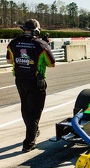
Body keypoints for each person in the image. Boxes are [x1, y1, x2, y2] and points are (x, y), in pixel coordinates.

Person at [6, 19, 55, 152]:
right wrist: (46, 44)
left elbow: (9, 60)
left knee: (25, 108)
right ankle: (29, 143)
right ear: (37, 30)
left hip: (20, 80)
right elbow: (52, 64)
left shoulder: (14, 43)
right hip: (36, 82)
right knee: (35, 111)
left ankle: (33, 131)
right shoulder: (41, 45)